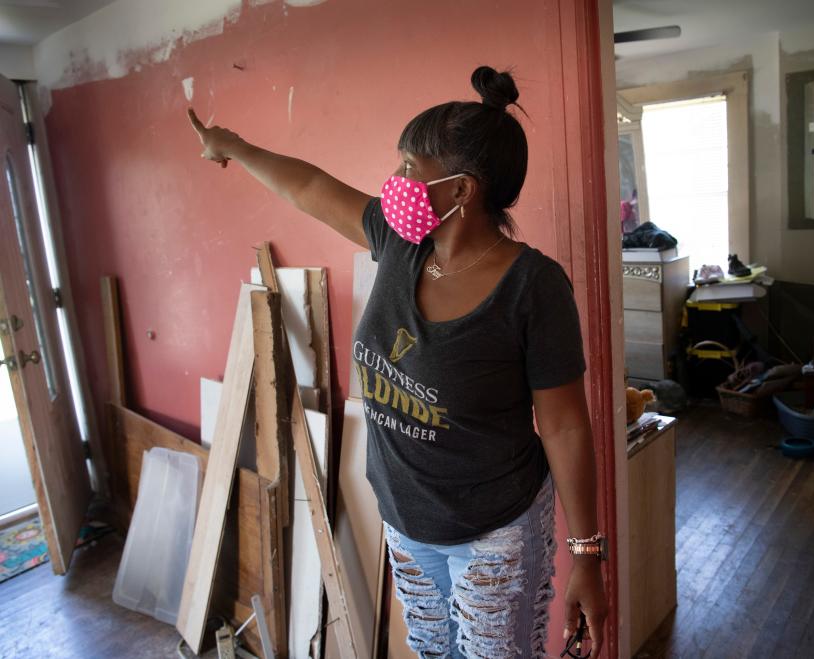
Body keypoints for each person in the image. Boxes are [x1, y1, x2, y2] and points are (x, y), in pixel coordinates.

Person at [188, 66, 608, 658]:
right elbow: (309, 187)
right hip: (406, 521)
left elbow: (564, 426)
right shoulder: (398, 244)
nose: (396, 179)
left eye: (411, 166)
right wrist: (232, 145)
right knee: (434, 652)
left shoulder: (533, 288)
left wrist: (588, 555)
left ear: (463, 190)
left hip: (495, 531)